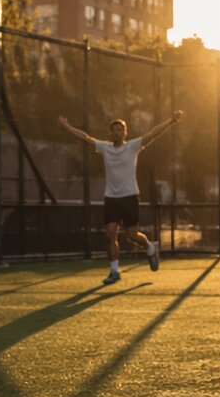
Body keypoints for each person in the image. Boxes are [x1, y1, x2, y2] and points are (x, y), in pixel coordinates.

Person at [59, 111, 181, 285]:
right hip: (111, 198)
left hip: (130, 196)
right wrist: (66, 126)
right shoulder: (104, 147)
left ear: (125, 133)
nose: (116, 132)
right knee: (110, 234)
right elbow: (85, 137)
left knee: (132, 235)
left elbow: (153, 133)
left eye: (119, 130)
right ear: (110, 133)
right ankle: (114, 271)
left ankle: (150, 247)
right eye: (113, 130)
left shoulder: (132, 146)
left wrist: (171, 120)